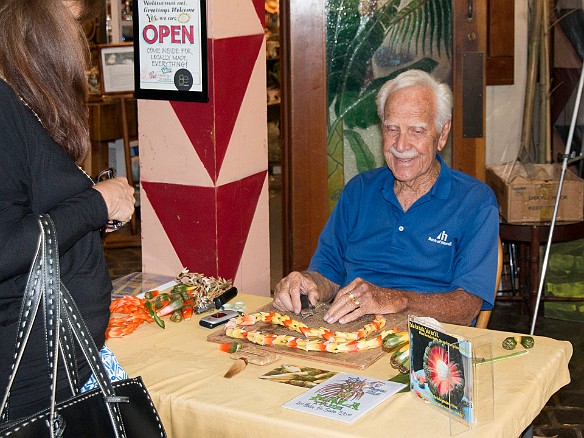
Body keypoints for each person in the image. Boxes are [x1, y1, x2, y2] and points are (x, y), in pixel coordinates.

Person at [273, 69, 499, 327]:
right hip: (351, 334)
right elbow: (327, 273)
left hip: (430, 340)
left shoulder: (475, 201)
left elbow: (466, 307)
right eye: (392, 129)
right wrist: (305, 282)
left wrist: (396, 300)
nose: (401, 145)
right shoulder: (359, 191)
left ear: (442, 133)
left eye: (416, 131)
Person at [0, 0, 135, 421]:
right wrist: (96, 204)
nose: (79, 43)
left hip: (59, 358)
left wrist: (92, 212)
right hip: (27, 371)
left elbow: (35, 211)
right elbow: (5, 247)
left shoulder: (22, 100)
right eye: (74, 25)